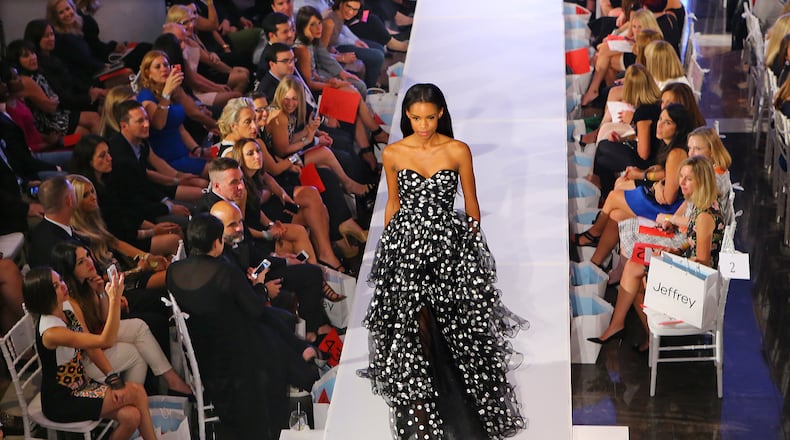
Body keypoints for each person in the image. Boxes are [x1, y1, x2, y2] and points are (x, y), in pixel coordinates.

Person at [364, 83, 528, 439]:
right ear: (407, 116)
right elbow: (393, 203)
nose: (424, 124)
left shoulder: (457, 151)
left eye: (431, 117)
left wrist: (470, 251)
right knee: (414, 331)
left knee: (456, 331)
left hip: (448, 250)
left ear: (441, 114)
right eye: (417, 117)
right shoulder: (393, 153)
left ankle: (460, 415)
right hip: (407, 249)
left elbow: (471, 205)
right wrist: (390, 250)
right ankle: (425, 419)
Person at [166, 213, 318, 439]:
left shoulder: (173, 271)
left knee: (271, 319)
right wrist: (261, 287)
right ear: (216, 243)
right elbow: (255, 307)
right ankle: (303, 366)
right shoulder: (224, 272)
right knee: (269, 320)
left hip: (203, 344)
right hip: (234, 349)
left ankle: (301, 356)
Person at [589, 156, 725, 351]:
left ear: (701, 181)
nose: (681, 183)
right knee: (635, 268)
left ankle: (631, 330)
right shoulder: (701, 204)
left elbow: (701, 263)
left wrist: (671, 261)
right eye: (681, 177)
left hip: (695, 284)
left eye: (688, 179)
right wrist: (675, 250)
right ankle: (631, 330)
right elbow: (692, 240)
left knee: (634, 271)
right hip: (691, 269)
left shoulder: (704, 216)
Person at [22, 267, 158, 440]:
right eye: (56, 286)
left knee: (132, 417)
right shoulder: (51, 332)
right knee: (137, 392)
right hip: (63, 399)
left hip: (82, 385)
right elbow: (105, 341)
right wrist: (114, 300)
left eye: (61, 280)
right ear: (44, 296)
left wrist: (113, 379)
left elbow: (92, 348)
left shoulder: (67, 309)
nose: (63, 286)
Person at [49, 242, 192, 395]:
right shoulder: (69, 302)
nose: (89, 262)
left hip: (98, 337)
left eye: (87, 256)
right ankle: (134, 398)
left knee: (139, 326)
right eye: (81, 262)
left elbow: (103, 318)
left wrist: (101, 293)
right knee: (135, 353)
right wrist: (115, 299)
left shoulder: (87, 283)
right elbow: (90, 347)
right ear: (70, 271)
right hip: (84, 360)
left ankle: (170, 382)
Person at [574, 103, 693, 269]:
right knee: (615, 215)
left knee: (614, 197)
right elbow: (666, 172)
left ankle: (594, 233)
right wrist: (650, 177)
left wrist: (657, 185)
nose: (659, 124)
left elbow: (668, 197)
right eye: (660, 119)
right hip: (661, 201)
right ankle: (595, 263)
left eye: (667, 122)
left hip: (668, 210)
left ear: (678, 128)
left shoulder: (676, 153)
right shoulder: (669, 146)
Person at [69, 134, 182, 255]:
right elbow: (117, 234)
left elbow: (129, 213)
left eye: (108, 153)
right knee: (175, 240)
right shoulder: (91, 194)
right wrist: (153, 231)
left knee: (175, 230)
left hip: (131, 232)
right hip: (120, 245)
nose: (109, 158)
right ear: (89, 162)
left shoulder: (111, 179)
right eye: (102, 156)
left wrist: (155, 227)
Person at [136, 50, 210, 176]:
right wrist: (166, 94)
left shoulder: (172, 92)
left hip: (185, 154)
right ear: (148, 73)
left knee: (224, 160)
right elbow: (159, 124)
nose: (163, 69)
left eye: (166, 65)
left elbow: (180, 128)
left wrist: (198, 149)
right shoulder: (146, 96)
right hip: (167, 161)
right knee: (221, 170)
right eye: (157, 67)